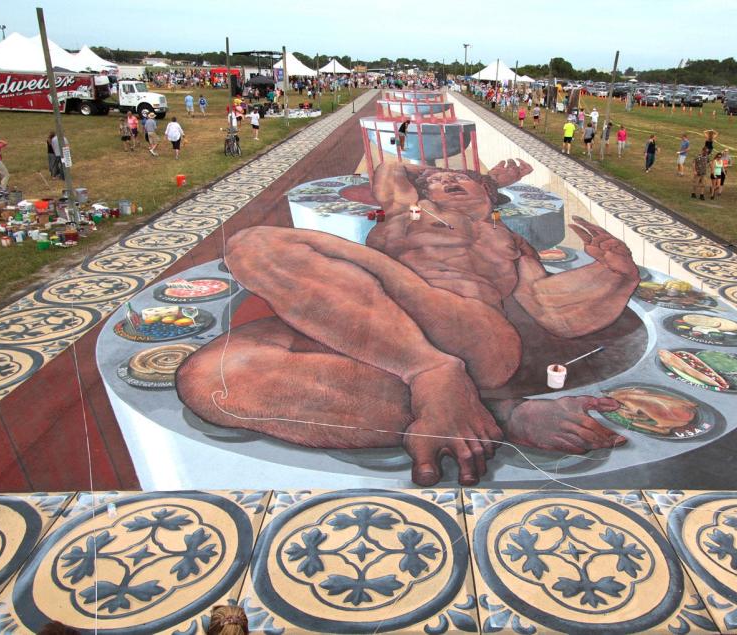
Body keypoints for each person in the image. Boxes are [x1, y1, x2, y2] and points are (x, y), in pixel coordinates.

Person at [176, 157, 637, 487]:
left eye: (462, 181)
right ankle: (490, 412)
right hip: (367, 324)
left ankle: (432, 370)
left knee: (255, 243)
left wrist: (613, 275)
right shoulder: (404, 211)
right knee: (213, 382)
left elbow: (550, 308)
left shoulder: (507, 240)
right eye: (439, 181)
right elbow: (392, 167)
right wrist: (441, 169)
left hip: (466, 331)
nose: (448, 181)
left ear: (489, 197)